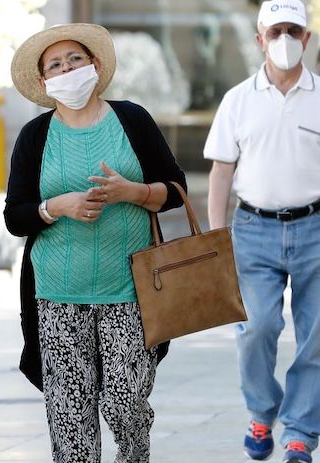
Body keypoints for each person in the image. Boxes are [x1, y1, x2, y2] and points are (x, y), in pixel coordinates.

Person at [4, 24, 186, 462]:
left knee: (126, 402)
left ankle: (135, 453)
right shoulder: (35, 135)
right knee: (70, 417)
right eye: (55, 65)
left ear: (96, 65)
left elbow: (174, 188)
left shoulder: (132, 119)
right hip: (55, 294)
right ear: (45, 82)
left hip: (129, 290)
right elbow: (15, 216)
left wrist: (134, 192)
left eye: (75, 60)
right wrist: (55, 207)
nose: (67, 69)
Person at [204, 1, 319, 461]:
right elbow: (220, 173)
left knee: (317, 335)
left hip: (315, 227)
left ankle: (300, 432)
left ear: (307, 39)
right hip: (253, 229)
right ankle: (261, 410)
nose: (284, 39)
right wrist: (216, 240)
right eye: (275, 32)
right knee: (256, 327)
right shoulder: (237, 100)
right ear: (259, 39)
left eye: (293, 30)